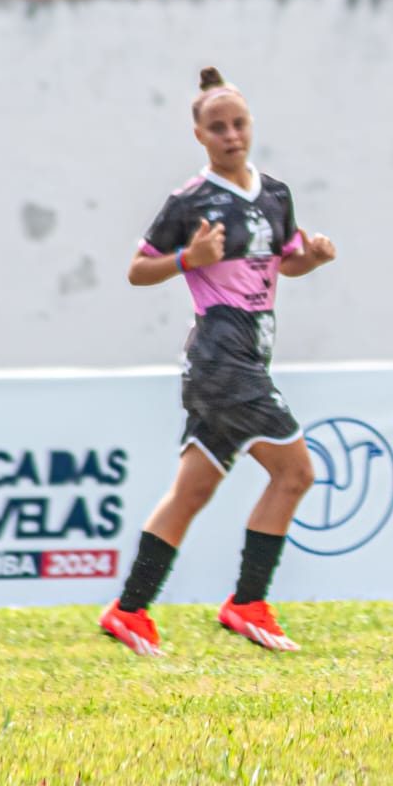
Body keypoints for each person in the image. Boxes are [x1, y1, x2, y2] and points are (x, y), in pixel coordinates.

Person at [98, 67, 337, 657]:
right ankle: (247, 603)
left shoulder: (275, 192)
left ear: (250, 126)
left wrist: (314, 257)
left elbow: (286, 262)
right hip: (221, 356)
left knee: (192, 491)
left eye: (239, 124)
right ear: (200, 135)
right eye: (218, 127)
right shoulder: (190, 201)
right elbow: (137, 269)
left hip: (249, 350)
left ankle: (129, 610)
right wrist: (189, 257)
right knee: (296, 473)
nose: (231, 135)